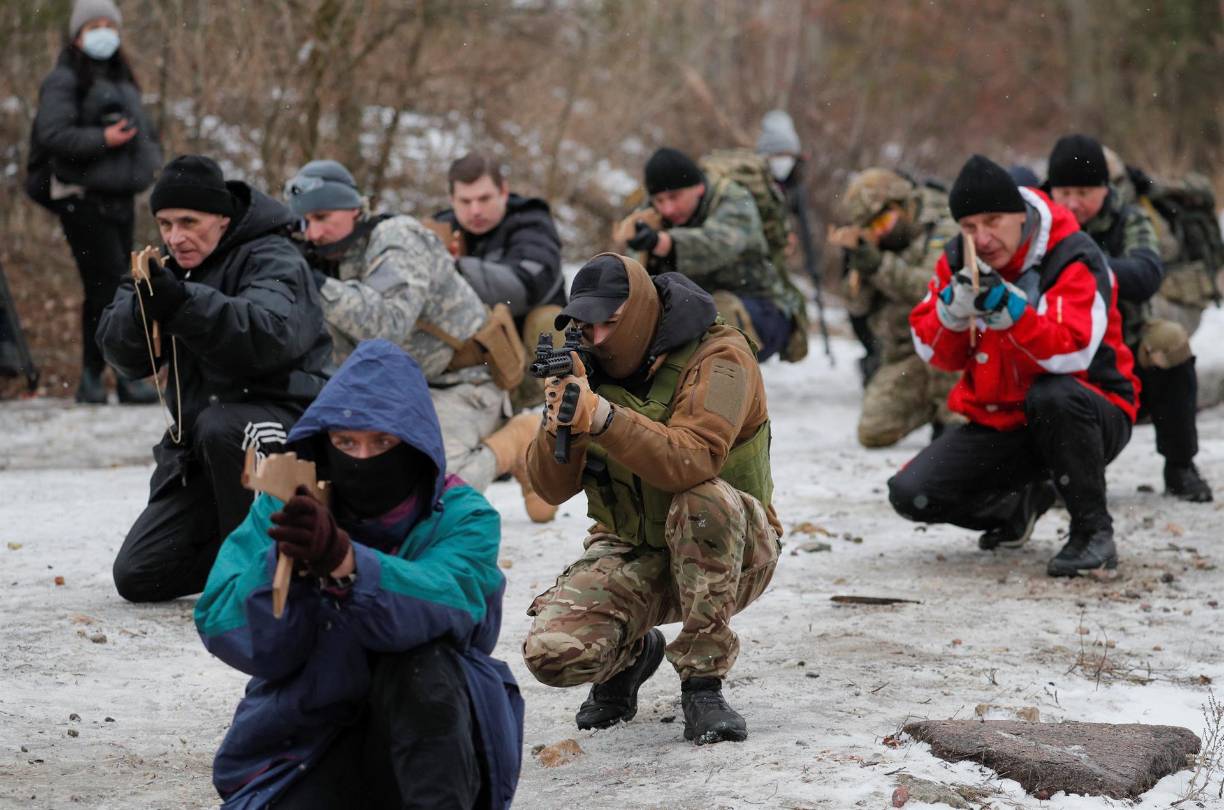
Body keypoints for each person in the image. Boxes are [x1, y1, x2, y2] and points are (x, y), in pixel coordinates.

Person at [195, 339, 523, 809]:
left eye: (382, 443)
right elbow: (224, 624)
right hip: (307, 742)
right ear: (324, 441)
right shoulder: (288, 504)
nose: (363, 459)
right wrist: (284, 564)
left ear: (414, 445)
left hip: (431, 738)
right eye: (346, 443)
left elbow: (453, 602)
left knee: (425, 665)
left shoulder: (461, 514)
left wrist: (347, 564)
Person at [522, 254, 781, 745]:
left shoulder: (720, 355)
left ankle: (703, 683)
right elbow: (551, 488)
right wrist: (563, 423)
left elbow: (694, 459)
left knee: (702, 501)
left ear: (639, 312)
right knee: (554, 653)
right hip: (635, 544)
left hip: (735, 549)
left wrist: (603, 418)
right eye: (584, 325)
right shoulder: (585, 366)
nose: (596, 338)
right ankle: (634, 655)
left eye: (609, 324)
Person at [889, 155, 1139, 577]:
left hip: (1093, 409)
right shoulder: (957, 259)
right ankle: (1015, 510)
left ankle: (1093, 534)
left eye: (993, 222)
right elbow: (936, 353)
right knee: (912, 493)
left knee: (1053, 394)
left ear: (1020, 216)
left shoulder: (1072, 253)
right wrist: (951, 314)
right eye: (970, 227)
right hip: (1003, 419)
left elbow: (1072, 353)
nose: (982, 238)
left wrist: (1011, 312)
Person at [97, 155, 332, 602]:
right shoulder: (163, 266)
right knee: (139, 574)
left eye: (189, 221)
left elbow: (268, 336)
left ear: (222, 219)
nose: (175, 236)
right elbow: (121, 354)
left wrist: (183, 304)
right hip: (201, 451)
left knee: (223, 426)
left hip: (286, 425)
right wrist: (142, 310)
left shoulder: (274, 256)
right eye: (165, 223)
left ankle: (272, 567)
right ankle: (245, 557)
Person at [284, 159, 555, 523]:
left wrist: (314, 283)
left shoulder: (397, 238)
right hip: (403, 390)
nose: (312, 232)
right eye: (304, 222)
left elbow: (385, 325)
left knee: (431, 494)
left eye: (322, 218)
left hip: (464, 382)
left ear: (353, 209)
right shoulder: (328, 255)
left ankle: (515, 442)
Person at [1047, 134, 1211, 502]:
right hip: (1053, 347)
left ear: (1105, 189)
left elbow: (1146, 273)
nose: (1073, 203)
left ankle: (1181, 463)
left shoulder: (1129, 218)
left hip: (1123, 345)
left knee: (1169, 341)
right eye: (1064, 193)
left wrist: (1087, 269)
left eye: (1084, 193)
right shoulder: (1033, 221)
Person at [28, 0, 162, 404]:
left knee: (114, 286)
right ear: (77, 35)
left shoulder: (123, 79)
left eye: (110, 25)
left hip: (119, 196)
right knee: (106, 287)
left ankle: (100, 377)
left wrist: (148, 161)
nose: (104, 32)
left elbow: (145, 133)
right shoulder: (64, 80)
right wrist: (103, 140)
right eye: (95, 26)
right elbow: (53, 136)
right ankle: (109, 375)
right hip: (81, 200)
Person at [828, 168, 962, 447]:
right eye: (872, 228)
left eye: (883, 223)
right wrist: (856, 263)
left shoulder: (945, 224)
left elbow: (930, 287)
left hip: (949, 349)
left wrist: (880, 265)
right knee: (874, 429)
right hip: (904, 352)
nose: (881, 233)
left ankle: (952, 415)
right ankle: (933, 405)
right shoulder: (880, 244)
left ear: (901, 206)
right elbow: (857, 306)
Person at [623, 147, 795, 362]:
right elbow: (635, 273)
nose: (667, 209)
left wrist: (664, 243)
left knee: (712, 322)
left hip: (760, 308)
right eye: (659, 200)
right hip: (695, 307)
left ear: (698, 188)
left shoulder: (734, 199)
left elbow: (720, 245)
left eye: (674, 197)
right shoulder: (652, 213)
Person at [430, 151, 566, 346]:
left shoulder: (532, 223)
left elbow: (524, 288)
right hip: (470, 344)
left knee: (549, 321)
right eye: (465, 201)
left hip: (526, 345)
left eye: (484, 199)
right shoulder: (439, 228)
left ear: (503, 192)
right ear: (452, 200)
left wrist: (453, 268)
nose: (475, 210)